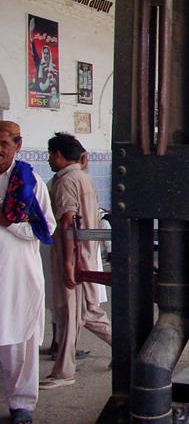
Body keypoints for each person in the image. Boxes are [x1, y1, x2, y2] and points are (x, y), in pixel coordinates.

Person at [40, 133, 112, 390]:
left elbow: (68, 222)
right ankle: (130, 351)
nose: (49, 160)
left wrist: (69, 265)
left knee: (71, 314)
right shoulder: (82, 177)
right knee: (88, 313)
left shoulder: (66, 180)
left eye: (51, 154)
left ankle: (64, 372)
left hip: (73, 256)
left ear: (58, 154)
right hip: (86, 254)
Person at [0, 121, 56, 423]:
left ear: (17, 145)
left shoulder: (29, 182)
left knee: (19, 341)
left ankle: (21, 404)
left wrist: (8, 222)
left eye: (3, 144)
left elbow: (46, 229)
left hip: (17, 275)